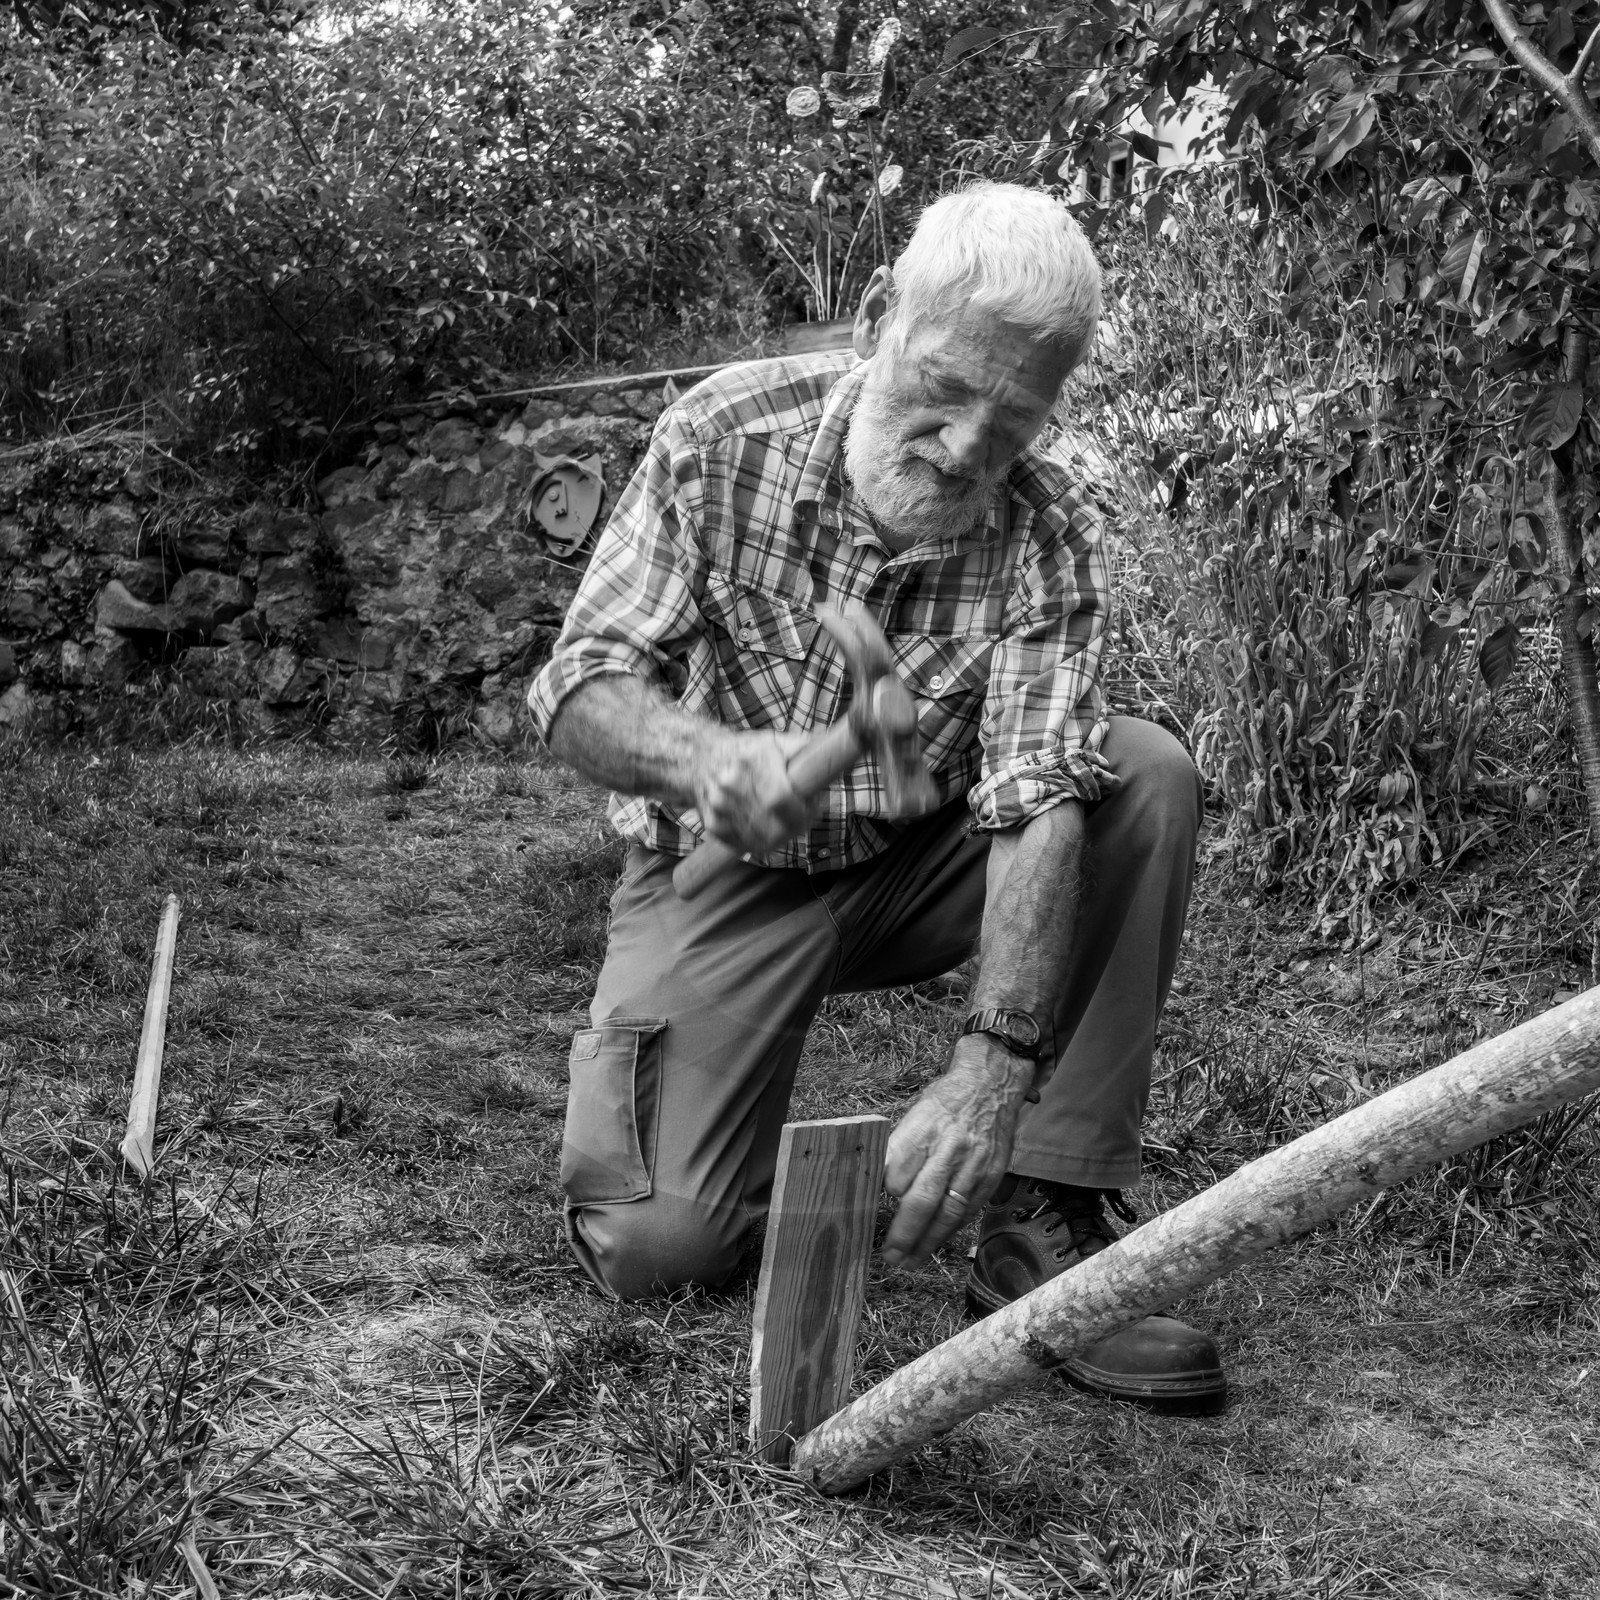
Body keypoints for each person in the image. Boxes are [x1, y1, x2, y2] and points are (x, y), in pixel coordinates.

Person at [527, 180, 1225, 1409]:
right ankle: (720, 1118)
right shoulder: (719, 435)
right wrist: (703, 761)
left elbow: (1036, 799)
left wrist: (988, 1069)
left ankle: (1043, 1212)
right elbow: (581, 682)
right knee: (660, 1250)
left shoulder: (1047, 532)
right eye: (944, 392)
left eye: (1011, 421)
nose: (966, 449)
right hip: (723, 866)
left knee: (1144, 776)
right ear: (872, 318)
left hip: (925, 859)